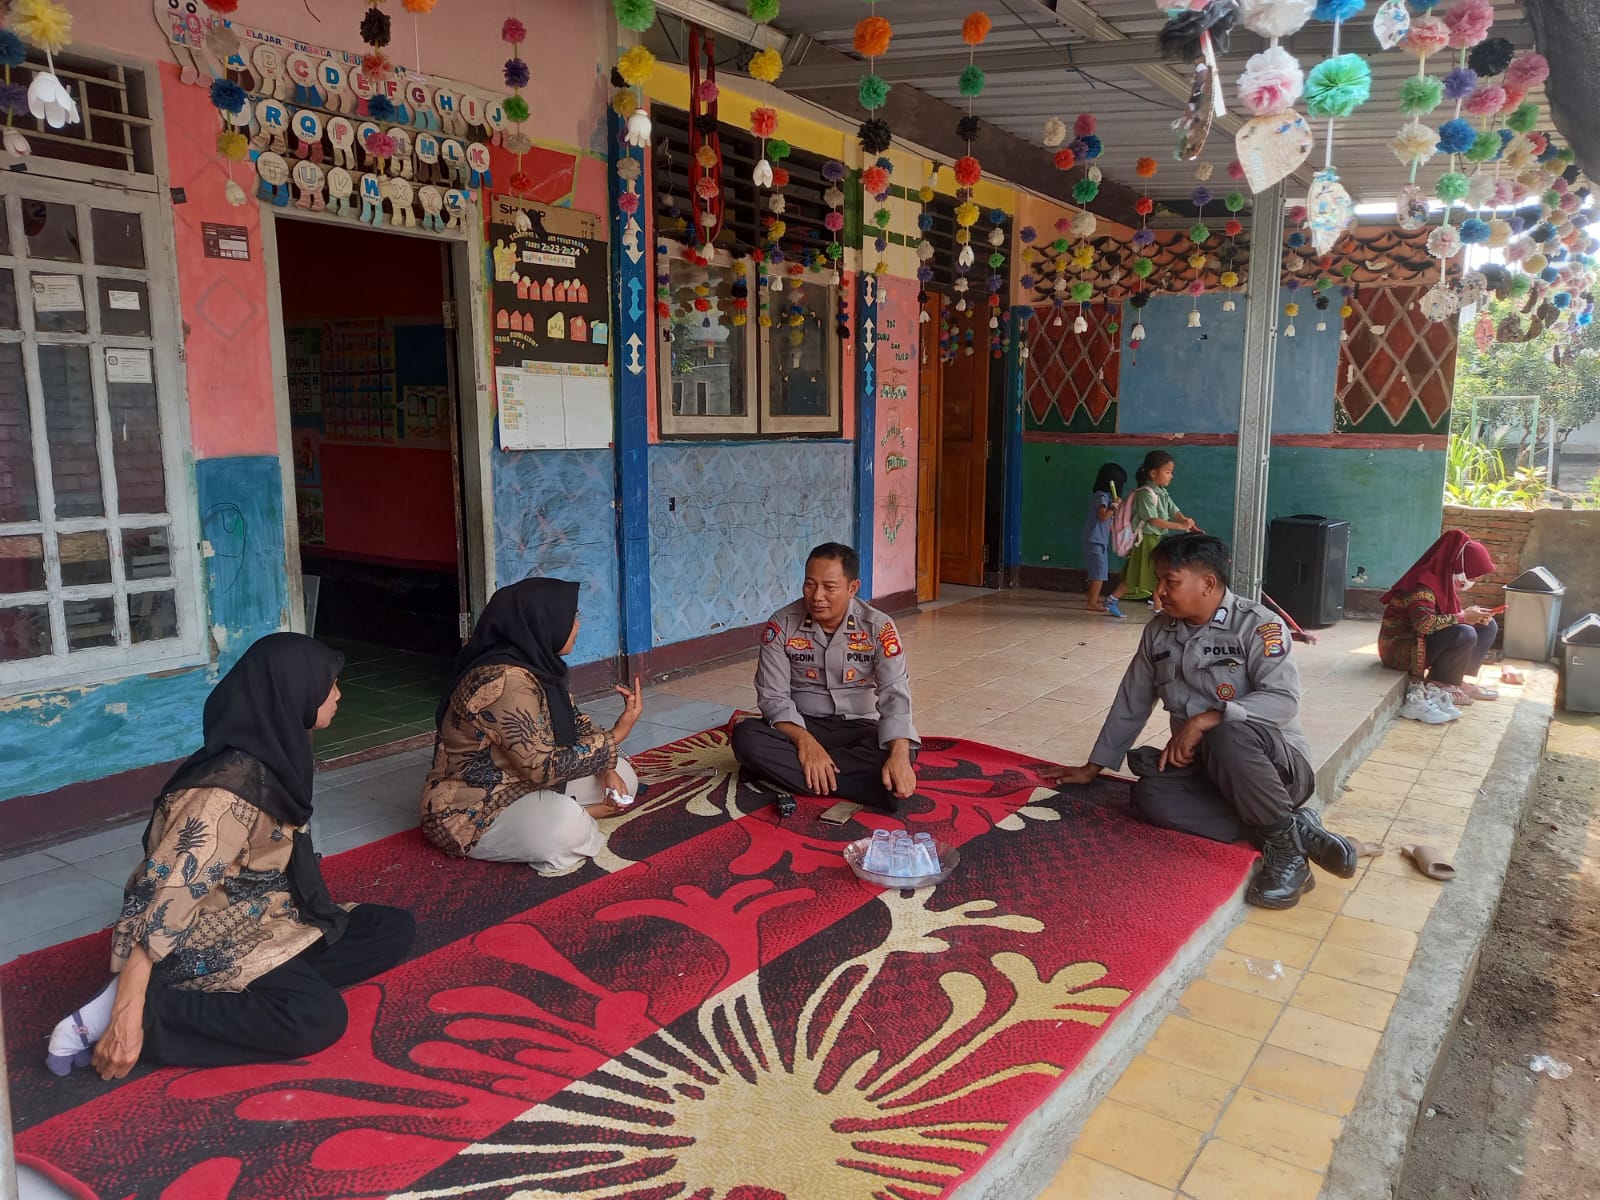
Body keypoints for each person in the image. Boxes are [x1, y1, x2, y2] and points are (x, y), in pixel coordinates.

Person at [45, 634, 416, 1079]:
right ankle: (148, 1013)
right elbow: (167, 893)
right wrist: (130, 1000)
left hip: (267, 916)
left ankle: (265, 979)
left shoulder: (278, 750)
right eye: (328, 684)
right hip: (206, 935)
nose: (337, 693)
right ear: (293, 691)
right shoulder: (223, 794)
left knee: (390, 929)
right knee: (314, 1017)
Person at [1041, 534, 1359, 910]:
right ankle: (1295, 828)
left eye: (1170, 582)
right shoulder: (1159, 632)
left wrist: (1207, 719)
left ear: (1208, 583)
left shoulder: (1257, 626)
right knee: (1149, 797)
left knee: (1227, 733)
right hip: (1207, 770)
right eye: (1158, 581)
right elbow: (1133, 700)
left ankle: (1287, 854)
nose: (1159, 592)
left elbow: (1283, 700)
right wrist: (1094, 766)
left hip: (1273, 769)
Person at [421, 577, 644, 876]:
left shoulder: (537, 666)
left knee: (623, 778)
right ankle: (582, 815)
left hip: (524, 781)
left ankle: (571, 811)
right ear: (542, 622)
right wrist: (618, 734)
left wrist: (607, 767)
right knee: (566, 826)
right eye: (571, 617)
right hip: (474, 805)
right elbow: (543, 767)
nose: (577, 625)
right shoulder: (504, 681)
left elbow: (576, 726)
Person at [732, 542, 919, 812]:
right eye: (810, 584)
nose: (817, 596)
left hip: (858, 728)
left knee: (904, 748)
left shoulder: (879, 628)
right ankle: (862, 788)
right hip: (801, 725)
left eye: (829, 587)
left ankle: (791, 774)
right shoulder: (782, 625)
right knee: (746, 738)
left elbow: (895, 694)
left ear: (853, 588)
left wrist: (900, 755)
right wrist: (806, 743)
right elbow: (773, 697)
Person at [1379, 530, 1500, 718]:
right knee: (1465, 632)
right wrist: (1463, 617)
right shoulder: (1422, 585)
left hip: (1424, 640)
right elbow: (1424, 624)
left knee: (1487, 626)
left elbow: (1445, 617)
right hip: (1401, 648)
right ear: (1457, 565)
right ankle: (1440, 682)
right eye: (1470, 575)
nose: (1472, 581)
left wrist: (1471, 616)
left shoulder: (1442, 580)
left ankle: (1456, 681)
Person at [1121, 450, 1200, 605]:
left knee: (1149, 574)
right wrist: (1181, 526)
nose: (1171, 476)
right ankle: (1154, 607)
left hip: (1156, 538)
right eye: (1168, 472)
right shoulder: (1145, 493)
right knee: (1146, 574)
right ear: (1153, 473)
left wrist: (1188, 524)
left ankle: (1156, 606)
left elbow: (1174, 511)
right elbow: (1153, 520)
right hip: (1146, 538)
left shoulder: (1162, 492)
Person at [1084, 461, 1129, 618]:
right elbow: (1102, 516)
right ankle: (1091, 602)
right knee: (1099, 572)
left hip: (1099, 539)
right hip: (1094, 539)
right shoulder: (1101, 496)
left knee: (1098, 570)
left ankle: (1092, 597)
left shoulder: (1107, 497)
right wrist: (1114, 506)